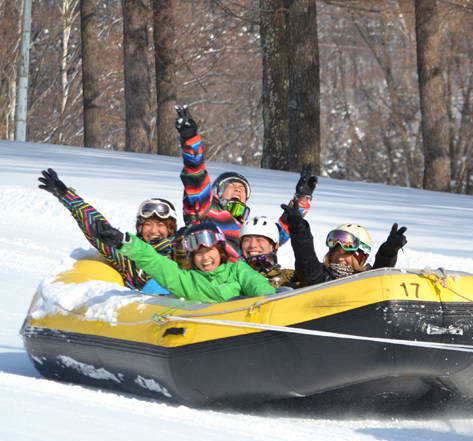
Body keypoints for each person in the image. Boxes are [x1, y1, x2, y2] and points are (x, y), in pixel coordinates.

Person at [174, 105, 313, 260]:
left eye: (242, 188)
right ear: (217, 194)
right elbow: (196, 178)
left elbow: (278, 233)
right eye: (231, 186)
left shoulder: (247, 230)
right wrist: (190, 141)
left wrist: (301, 199)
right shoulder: (206, 211)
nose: (238, 189)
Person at [38, 168, 178, 292]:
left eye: (160, 225)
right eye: (148, 224)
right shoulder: (128, 252)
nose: (154, 230)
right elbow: (98, 228)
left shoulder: (180, 249)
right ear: (140, 228)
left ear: (170, 228)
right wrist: (67, 196)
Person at [88, 221, 275, 303]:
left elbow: (254, 282)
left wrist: (267, 301)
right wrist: (125, 242)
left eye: (210, 250)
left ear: (220, 250)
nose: (205, 258)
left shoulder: (236, 269)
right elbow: (156, 263)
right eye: (198, 254)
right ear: (192, 258)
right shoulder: (187, 281)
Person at [282, 197, 408, 286]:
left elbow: (380, 277)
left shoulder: (367, 282)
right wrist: (299, 231)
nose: (340, 258)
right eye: (336, 251)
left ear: (361, 257)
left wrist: (388, 253)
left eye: (347, 253)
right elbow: (306, 261)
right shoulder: (321, 278)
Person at [239, 216, 303, 289]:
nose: (252, 245)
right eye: (247, 240)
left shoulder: (290, 278)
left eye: (260, 240)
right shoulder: (230, 275)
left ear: (273, 246)